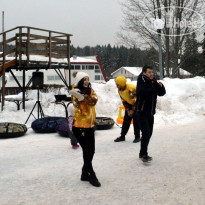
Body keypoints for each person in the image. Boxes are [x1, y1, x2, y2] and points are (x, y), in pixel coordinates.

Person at [69, 71, 101, 187]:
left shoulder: (90, 91)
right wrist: (81, 98)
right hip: (80, 127)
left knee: (91, 151)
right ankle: (91, 174)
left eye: (88, 79)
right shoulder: (74, 92)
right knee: (87, 151)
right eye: (84, 79)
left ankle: (84, 173)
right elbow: (80, 105)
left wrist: (84, 97)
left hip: (90, 126)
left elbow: (95, 100)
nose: (87, 81)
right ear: (80, 81)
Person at [136, 65, 166, 162]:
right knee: (146, 133)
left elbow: (161, 93)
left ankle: (142, 152)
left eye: (152, 72)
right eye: (149, 72)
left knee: (149, 134)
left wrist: (161, 87)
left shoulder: (153, 81)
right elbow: (142, 92)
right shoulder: (141, 81)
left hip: (150, 112)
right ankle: (144, 154)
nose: (151, 74)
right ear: (144, 73)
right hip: (141, 112)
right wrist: (154, 87)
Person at [114, 76, 141, 143]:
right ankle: (122, 136)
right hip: (130, 104)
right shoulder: (120, 90)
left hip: (138, 104)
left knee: (136, 120)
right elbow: (123, 100)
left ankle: (137, 137)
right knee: (126, 120)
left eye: (117, 84)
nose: (116, 85)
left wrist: (133, 109)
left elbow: (136, 100)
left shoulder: (131, 89)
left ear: (121, 83)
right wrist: (128, 109)